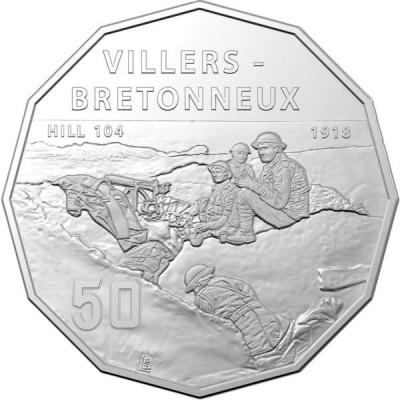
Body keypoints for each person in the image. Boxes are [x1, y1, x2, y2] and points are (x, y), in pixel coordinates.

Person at [184, 264, 290, 358]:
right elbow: (247, 290)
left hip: (239, 322)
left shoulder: (200, 299)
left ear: (194, 285)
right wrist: (253, 304)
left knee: (257, 344)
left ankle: (269, 356)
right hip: (258, 310)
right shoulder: (224, 280)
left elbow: (212, 319)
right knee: (273, 329)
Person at [226, 132, 310, 244]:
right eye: (259, 149)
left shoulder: (284, 167)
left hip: (288, 215)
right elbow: (266, 188)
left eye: (265, 148)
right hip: (283, 211)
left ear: (277, 149)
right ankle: (232, 226)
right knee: (241, 191)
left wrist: (251, 184)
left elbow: (279, 202)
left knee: (244, 193)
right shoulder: (272, 166)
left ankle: (245, 233)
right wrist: (250, 182)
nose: (261, 152)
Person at [188, 160, 239, 246]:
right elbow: (205, 203)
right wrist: (190, 213)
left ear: (226, 173)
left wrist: (207, 226)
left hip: (222, 226)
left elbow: (225, 218)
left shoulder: (230, 191)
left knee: (194, 240)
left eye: (218, 172)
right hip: (209, 223)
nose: (214, 175)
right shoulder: (216, 188)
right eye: (213, 172)